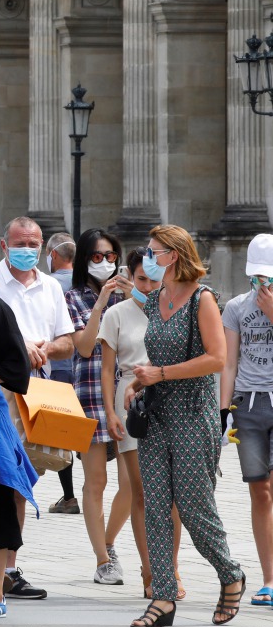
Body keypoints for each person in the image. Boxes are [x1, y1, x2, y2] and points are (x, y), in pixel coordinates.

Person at [124, 225, 244, 627]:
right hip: (157, 415)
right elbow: (156, 356)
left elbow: (216, 358)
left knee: (194, 508)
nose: (147, 257)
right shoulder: (157, 298)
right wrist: (140, 382)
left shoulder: (202, 298)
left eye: (153, 250)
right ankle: (163, 596)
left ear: (172, 255)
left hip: (194, 415)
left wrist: (161, 373)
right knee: (155, 507)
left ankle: (231, 575)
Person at [0, 216, 74, 602]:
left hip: (36, 390)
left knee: (21, 480)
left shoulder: (51, 286)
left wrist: (42, 348)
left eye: (34, 243)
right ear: (3, 245)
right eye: (20, 243)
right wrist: (17, 347)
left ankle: (8, 568)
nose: (28, 249)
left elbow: (68, 342)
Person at [101, 248, 185, 601]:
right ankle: (150, 570)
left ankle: (173, 568)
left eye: (154, 278)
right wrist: (109, 413)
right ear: (129, 277)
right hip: (130, 401)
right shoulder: (117, 313)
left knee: (175, 496)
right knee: (142, 492)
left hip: (172, 397)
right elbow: (106, 369)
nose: (149, 286)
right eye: (141, 279)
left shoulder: (178, 308)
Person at [65, 229, 133, 586]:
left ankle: (108, 540)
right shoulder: (74, 297)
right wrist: (101, 301)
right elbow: (86, 347)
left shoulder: (130, 295)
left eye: (110, 256)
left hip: (126, 395)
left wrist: (131, 296)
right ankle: (103, 560)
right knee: (96, 482)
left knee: (131, 483)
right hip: (90, 394)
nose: (105, 263)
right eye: (97, 256)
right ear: (84, 260)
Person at [221, 233, 273, 607]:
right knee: (260, 490)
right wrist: (224, 410)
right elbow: (228, 361)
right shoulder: (237, 306)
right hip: (249, 404)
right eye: (259, 277)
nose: (263, 284)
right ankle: (269, 578)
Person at [46, 232, 80, 515]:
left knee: (61, 435)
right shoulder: (84, 284)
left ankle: (69, 496)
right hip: (86, 371)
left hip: (58, 369)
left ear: (53, 255)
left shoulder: (47, 285)